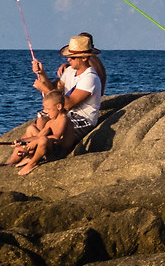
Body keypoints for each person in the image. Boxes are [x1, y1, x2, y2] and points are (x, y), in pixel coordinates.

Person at [8, 34, 107, 174]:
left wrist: (46, 90)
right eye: (68, 57)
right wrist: (42, 74)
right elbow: (55, 89)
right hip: (66, 114)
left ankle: (36, 153)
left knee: (52, 127)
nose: (68, 60)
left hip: (82, 120)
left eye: (72, 57)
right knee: (41, 118)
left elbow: (68, 104)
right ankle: (25, 155)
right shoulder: (70, 71)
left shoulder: (90, 78)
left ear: (84, 58)